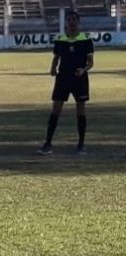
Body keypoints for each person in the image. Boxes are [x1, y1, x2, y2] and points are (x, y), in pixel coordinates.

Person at [38, 10, 94, 155]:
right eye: (69, 20)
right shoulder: (60, 39)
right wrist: (52, 69)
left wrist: (84, 70)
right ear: (66, 22)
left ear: (78, 21)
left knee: (80, 111)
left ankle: (81, 144)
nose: (72, 22)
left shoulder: (86, 40)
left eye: (74, 19)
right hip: (63, 78)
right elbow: (56, 58)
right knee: (55, 110)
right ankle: (48, 143)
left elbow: (91, 62)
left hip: (79, 79)